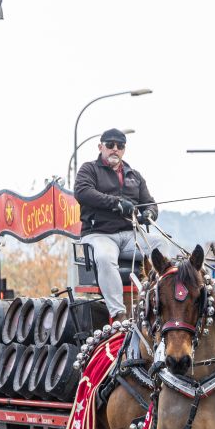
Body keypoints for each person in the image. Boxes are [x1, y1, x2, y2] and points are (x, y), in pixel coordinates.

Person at [74, 128, 171, 322]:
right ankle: (119, 313)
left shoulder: (134, 175)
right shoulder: (89, 169)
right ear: (101, 147)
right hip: (99, 233)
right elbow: (83, 192)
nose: (114, 149)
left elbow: (149, 203)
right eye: (110, 145)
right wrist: (117, 203)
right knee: (104, 256)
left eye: (120, 146)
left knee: (161, 244)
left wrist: (149, 213)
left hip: (129, 235)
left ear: (124, 150)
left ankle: (157, 300)